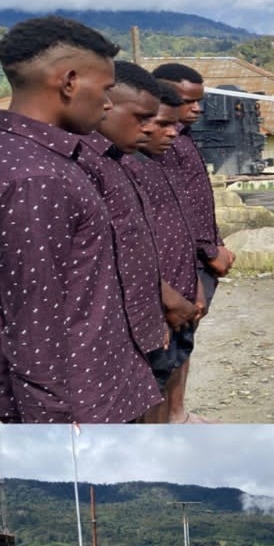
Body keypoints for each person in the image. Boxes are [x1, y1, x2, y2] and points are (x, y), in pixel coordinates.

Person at [0, 15, 161, 423]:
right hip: (81, 410)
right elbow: (34, 325)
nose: (108, 104)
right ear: (69, 82)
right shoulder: (36, 177)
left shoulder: (41, 160)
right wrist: (54, 434)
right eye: (105, 89)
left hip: (94, 394)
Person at [78, 58, 173, 419]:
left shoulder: (121, 160)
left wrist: (154, 316)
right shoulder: (79, 167)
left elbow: (135, 248)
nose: (149, 128)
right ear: (105, 105)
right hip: (107, 343)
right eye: (141, 117)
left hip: (138, 329)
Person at [151, 62, 233, 423]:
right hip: (185, 259)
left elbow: (194, 205)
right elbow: (173, 211)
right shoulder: (159, 145)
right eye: (187, 101)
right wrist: (209, 251)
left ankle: (177, 412)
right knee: (168, 349)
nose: (196, 109)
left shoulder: (182, 138)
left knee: (185, 341)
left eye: (199, 101)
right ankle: (167, 419)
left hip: (196, 257)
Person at [125, 80, 204, 415]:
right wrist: (162, 300)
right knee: (150, 384)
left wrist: (195, 281)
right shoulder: (125, 167)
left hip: (181, 290)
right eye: (162, 123)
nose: (173, 132)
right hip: (159, 300)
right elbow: (131, 249)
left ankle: (175, 419)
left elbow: (182, 224)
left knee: (172, 365)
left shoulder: (161, 161)